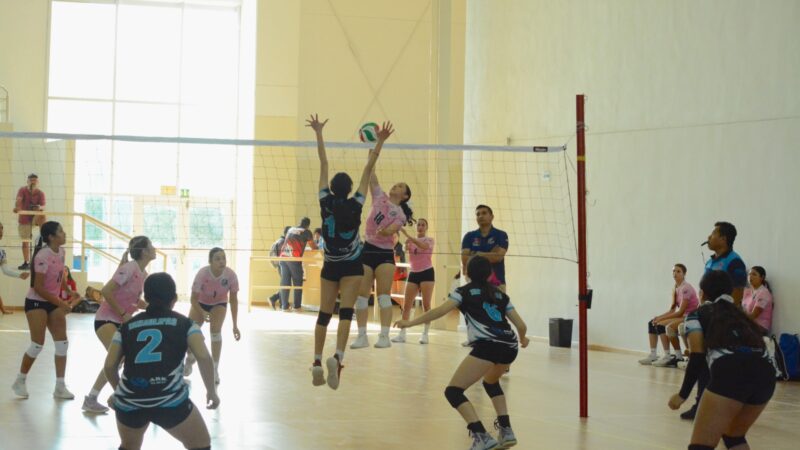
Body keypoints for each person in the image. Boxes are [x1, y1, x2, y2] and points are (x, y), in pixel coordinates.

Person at [394, 256, 529, 450]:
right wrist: (523, 339)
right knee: (491, 382)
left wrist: (410, 322)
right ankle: (506, 431)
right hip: (510, 346)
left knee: (453, 392)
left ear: (467, 273)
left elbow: (440, 311)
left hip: (488, 346)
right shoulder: (500, 294)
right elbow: (521, 325)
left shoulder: (463, 292)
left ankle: (481, 435)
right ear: (490, 274)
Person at [307, 113, 390, 389]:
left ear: (331, 188)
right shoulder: (356, 203)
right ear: (349, 189)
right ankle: (338, 358)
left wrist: (319, 132)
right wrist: (379, 142)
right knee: (345, 313)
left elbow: (324, 161)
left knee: (323, 314)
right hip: (352, 265)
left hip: (330, 265)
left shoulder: (324, 200)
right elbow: (368, 169)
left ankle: (317, 360)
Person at [104, 272, 219, 450]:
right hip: (169, 400)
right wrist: (211, 391)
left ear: (146, 297)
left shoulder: (125, 328)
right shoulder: (186, 324)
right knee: (201, 444)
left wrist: (120, 392)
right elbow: (204, 357)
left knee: (129, 447)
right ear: (173, 298)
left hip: (130, 401)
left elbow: (110, 366)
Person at [668, 270, 775, 450]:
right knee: (734, 436)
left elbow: (697, 355)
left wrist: (682, 394)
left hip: (731, 371)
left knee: (701, 445)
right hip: (766, 374)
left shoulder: (696, 315)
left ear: (702, 293)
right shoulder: (742, 315)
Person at [680, 221, 748, 420]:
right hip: (708, 317)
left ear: (723, 239)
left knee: (723, 367)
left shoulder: (735, 262)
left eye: (712, 234)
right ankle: (701, 404)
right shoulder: (710, 261)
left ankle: (728, 407)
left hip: (724, 320)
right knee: (704, 365)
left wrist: (723, 318)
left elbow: (736, 296)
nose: (708, 238)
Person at [82, 236, 155, 414]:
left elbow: (134, 300)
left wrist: (154, 307)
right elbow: (106, 291)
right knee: (118, 358)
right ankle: (118, 396)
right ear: (144, 251)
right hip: (106, 319)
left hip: (121, 321)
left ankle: (96, 397)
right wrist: (123, 314)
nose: (154, 248)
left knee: (117, 360)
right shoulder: (130, 268)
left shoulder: (143, 273)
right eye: (151, 246)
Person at [11, 221, 80, 399]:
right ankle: (20, 380)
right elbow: (39, 288)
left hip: (52, 301)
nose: (64, 234)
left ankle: (60, 386)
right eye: (61, 231)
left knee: (62, 343)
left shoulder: (62, 252)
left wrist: (68, 290)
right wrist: (61, 302)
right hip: (36, 302)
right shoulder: (42, 256)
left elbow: (60, 275)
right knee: (37, 344)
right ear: (51, 237)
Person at [351, 165, 413, 349]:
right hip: (367, 249)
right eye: (396, 184)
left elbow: (392, 231)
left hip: (384, 254)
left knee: (384, 296)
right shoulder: (380, 196)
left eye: (401, 186)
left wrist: (385, 231)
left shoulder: (400, 214)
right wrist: (374, 146)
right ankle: (362, 336)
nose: (396, 185)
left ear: (405, 196)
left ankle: (384, 336)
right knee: (361, 297)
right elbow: (371, 174)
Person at [184, 248, 241, 384]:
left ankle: (214, 369)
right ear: (210, 262)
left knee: (215, 332)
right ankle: (190, 357)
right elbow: (193, 299)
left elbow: (233, 300)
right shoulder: (202, 274)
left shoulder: (231, 275)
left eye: (223, 258)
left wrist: (235, 325)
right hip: (200, 303)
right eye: (217, 259)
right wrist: (203, 312)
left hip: (219, 303)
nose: (222, 261)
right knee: (189, 331)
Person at [639, 264, 698, 367]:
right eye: (673, 271)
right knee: (652, 323)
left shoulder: (686, 288)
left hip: (690, 316)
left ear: (684, 274)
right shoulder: (675, 288)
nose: (675, 273)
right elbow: (672, 310)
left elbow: (680, 312)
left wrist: (660, 319)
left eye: (678, 271)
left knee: (662, 325)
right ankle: (653, 355)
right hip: (682, 316)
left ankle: (671, 356)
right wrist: (658, 318)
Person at [392, 218, 435, 344]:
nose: (420, 227)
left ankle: (425, 334)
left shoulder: (429, 240)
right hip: (414, 273)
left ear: (426, 228)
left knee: (426, 305)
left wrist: (407, 235)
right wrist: (404, 242)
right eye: (418, 225)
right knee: (406, 305)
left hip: (427, 272)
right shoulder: (409, 241)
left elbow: (423, 246)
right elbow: (403, 250)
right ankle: (402, 333)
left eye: (423, 225)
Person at [461, 205, 508, 291]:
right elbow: (464, 259)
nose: (480, 216)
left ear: (492, 217)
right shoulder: (469, 236)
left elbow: (498, 257)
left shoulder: (501, 234)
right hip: (474, 283)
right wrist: (491, 254)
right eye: (478, 214)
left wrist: (477, 254)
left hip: (496, 283)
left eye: (484, 213)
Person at [279, 218, 317, 311]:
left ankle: (284, 307)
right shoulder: (307, 232)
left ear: (299, 223)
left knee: (285, 283)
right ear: (308, 225)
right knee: (297, 283)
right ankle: (297, 306)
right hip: (294, 259)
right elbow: (313, 247)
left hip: (283, 257)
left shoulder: (290, 229)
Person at [13, 173, 46, 270]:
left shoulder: (40, 193)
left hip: (35, 217)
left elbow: (43, 206)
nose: (33, 182)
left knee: (42, 216)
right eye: (31, 180)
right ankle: (26, 262)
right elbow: (18, 200)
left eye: (35, 181)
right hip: (24, 218)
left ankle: (43, 236)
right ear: (27, 181)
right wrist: (18, 207)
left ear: (38, 182)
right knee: (25, 241)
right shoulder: (22, 190)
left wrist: (39, 207)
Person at [1, 221, 31, 314]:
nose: (1, 232)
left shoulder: (1, 253)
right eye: (0, 229)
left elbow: (6, 270)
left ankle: (3, 310)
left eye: (2, 229)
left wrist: (20, 275)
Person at [742, 266, 773, 335]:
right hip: (748, 325)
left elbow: (753, 316)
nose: (750, 276)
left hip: (760, 327)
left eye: (754, 274)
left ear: (762, 278)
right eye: (749, 274)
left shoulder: (764, 293)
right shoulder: (747, 291)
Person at [268, 226, 291, 309]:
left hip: (278, 264)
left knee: (284, 284)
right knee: (286, 284)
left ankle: (282, 303)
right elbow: (284, 255)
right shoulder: (283, 242)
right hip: (282, 265)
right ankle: (275, 299)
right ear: (287, 233)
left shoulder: (279, 240)